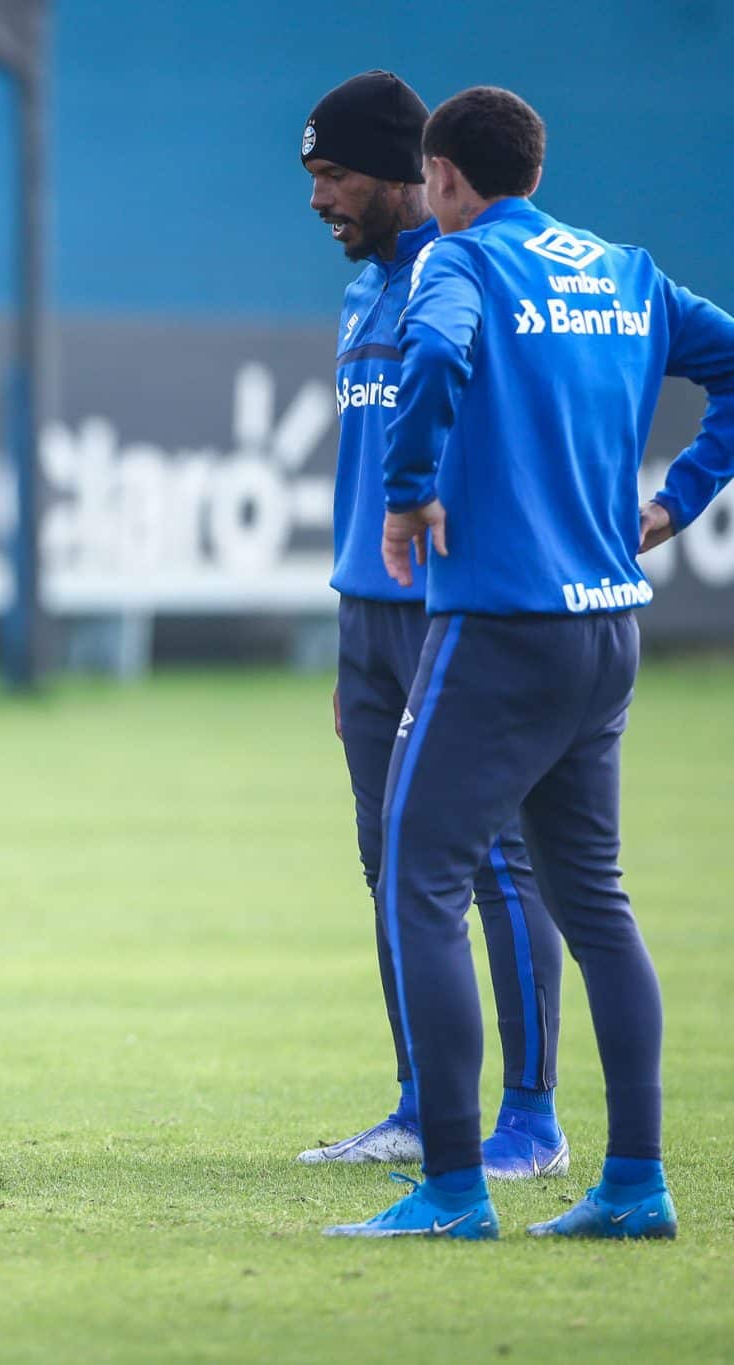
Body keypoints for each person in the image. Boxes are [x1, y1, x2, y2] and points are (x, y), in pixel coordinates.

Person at [325, 87, 734, 1239]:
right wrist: (682, 497)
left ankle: (453, 1187)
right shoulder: (622, 269)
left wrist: (406, 496)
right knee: (595, 903)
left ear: (442, 175)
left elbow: (436, 359)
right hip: (606, 624)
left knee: (417, 882)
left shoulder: (457, 265)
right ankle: (633, 1185)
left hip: (494, 626)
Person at [296, 71, 567, 1179]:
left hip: (460, 614)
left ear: (414, 174)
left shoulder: (472, 275)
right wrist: (351, 634)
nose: (318, 199)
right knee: (389, 864)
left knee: (495, 862)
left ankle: (530, 1123)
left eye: (334, 175)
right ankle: (419, 1105)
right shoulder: (366, 291)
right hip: (370, 621)